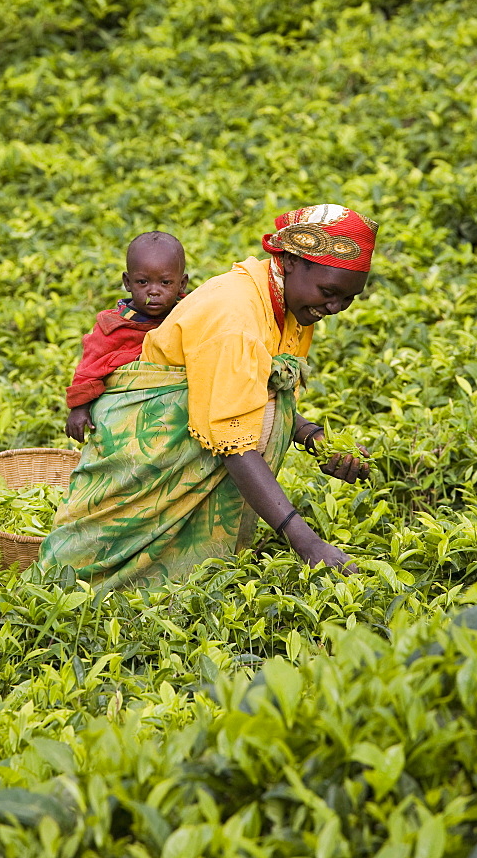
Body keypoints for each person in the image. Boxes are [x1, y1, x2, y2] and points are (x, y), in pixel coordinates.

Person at [40, 204, 375, 591]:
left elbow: (260, 393)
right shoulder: (234, 315)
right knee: (87, 578)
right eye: (329, 292)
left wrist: (317, 440)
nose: (334, 308)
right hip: (147, 439)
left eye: (348, 299)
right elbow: (232, 439)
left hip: (201, 430)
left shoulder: (288, 305)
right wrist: (306, 542)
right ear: (290, 262)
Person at [65, 232, 188, 443]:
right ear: (127, 282)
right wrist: (79, 407)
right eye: (143, 282)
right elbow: (88, 369)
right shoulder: (114, 327)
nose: (154, 291)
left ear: (182, 284)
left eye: (166, 283)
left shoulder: (188, 315)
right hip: (127, 414)